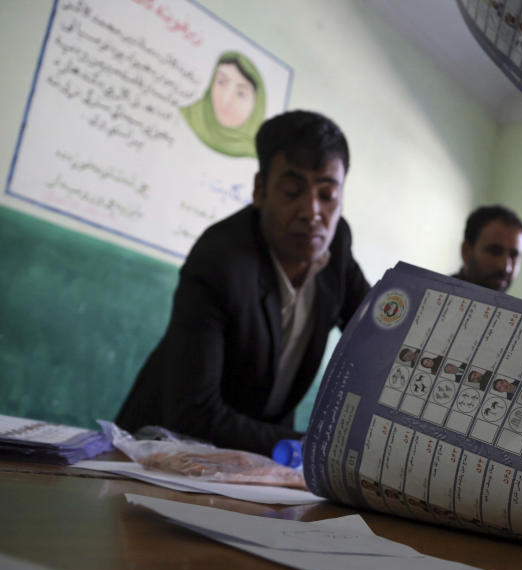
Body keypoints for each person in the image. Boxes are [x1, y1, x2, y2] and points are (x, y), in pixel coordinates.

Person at [116, 110, 369, 455]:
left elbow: (378, 333)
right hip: (160, 450)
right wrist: (315, 446)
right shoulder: (220, 258)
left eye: (327, 195)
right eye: (293, 191)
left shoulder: (336, 244)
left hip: (252, 464)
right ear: (260, 190)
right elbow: (195, 414)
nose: (312, 212)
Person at [181, 51, 266, 158]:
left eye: (241, 93)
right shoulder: (187, 117)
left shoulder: (260, 158)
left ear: (256, 106)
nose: (225, 99)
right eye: (221, 82)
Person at [453, 205, 522, 292]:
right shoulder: (434, 297)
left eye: (514, 255)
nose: (505, 267)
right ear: (466, 251)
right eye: (495, 251)